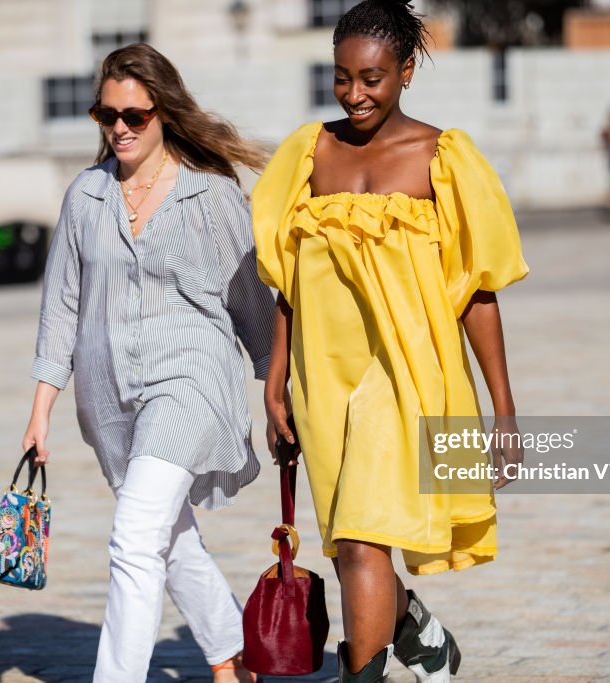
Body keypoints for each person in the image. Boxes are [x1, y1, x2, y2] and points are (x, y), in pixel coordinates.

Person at [251, 2, 528, 681]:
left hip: (407, 372)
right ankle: (417, 632)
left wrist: (504, 407)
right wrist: (275, 377)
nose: (354, 94)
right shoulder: (308, 153)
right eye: (342, 77)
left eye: (372, 78)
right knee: (352, 543)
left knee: (367, 534)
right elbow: (287, 281)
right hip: (324, 377)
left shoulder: (444, 159)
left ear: (406, 71)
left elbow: (477, 293)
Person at [22, 43, 273, 683]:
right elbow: (61, 307)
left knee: (134, 538)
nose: (121, 129)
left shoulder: (209, 196)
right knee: (167, 532)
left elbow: (251, 303)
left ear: (165, 112)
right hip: (107, 395)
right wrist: (40, 412)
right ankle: (231, 653)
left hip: (189, 380)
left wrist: (279, 392)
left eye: (135, 115)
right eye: (107, 115)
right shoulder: (86, 195)